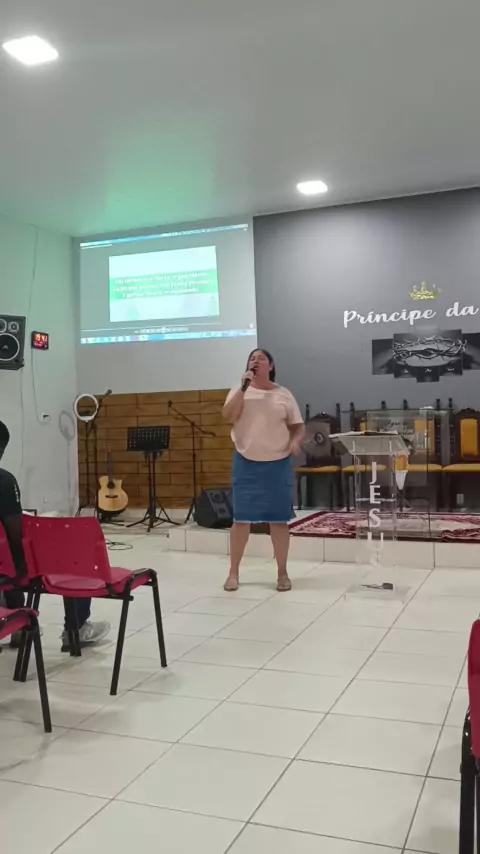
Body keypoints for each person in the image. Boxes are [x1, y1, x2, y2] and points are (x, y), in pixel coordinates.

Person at [0, 420, 110, 650]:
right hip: (6, 571)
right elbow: (16, 535)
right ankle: (75, 628)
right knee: (72, 557)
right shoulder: (4, 481)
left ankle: (17, 618)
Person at [222, 348, 305, 592]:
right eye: (252, 358)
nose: (255, 361)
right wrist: (243, 388)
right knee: (240, 520)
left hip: (278, 462)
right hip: (246, 461)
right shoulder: (239, 390)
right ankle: (233, 573)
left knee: (278, 521)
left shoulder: (283, 394)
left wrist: (295, 442)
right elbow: (228, 417)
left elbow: (298, 426)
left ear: (271, 365)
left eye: (261, 358)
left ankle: (282, 573)